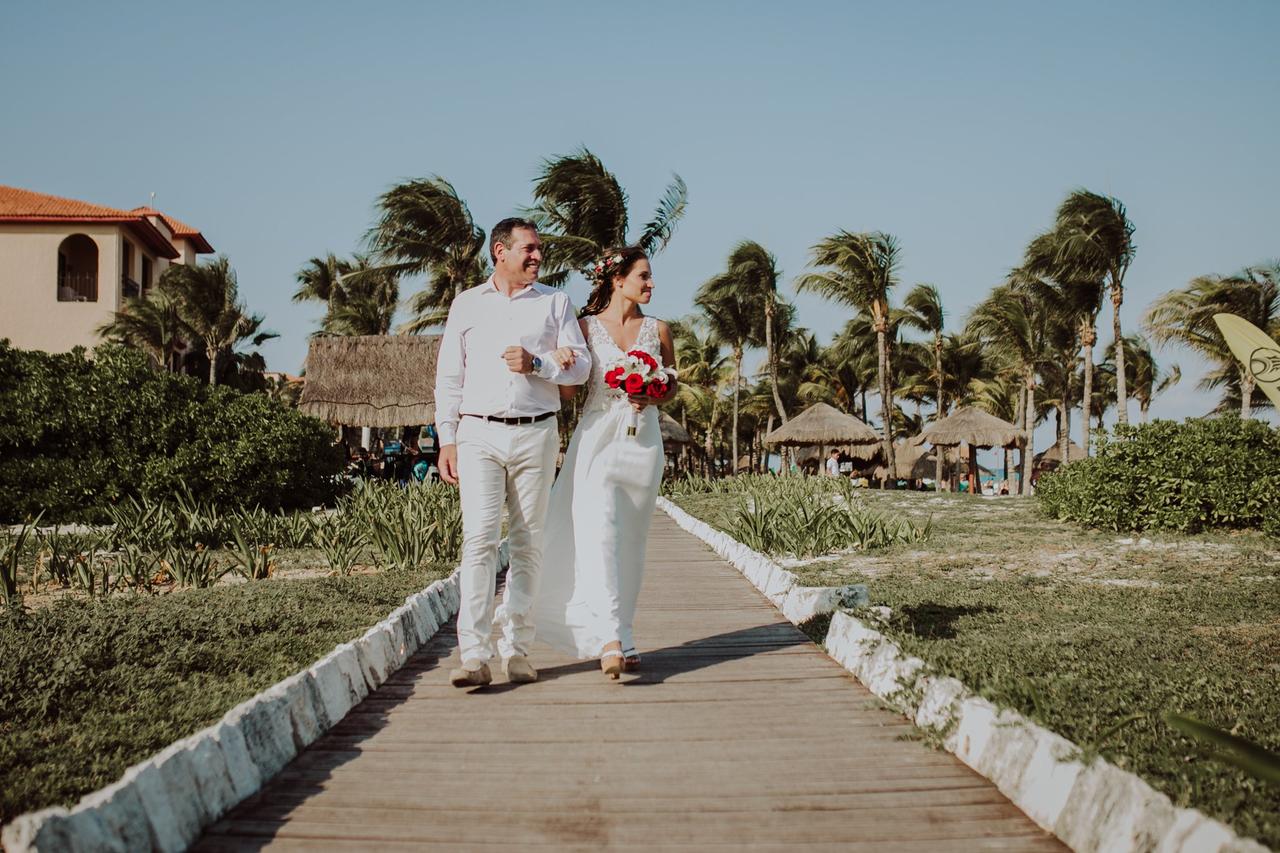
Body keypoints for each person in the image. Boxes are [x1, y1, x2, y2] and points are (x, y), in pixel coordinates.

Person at [434, 217, 591, 688]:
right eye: (529, 248)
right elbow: (449, 376)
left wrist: (538, 363)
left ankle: (518, 649)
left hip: (536, 433)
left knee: (527, 542)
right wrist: (447, 438)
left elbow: (580, 367)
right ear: (500, 252)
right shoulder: (466, 304)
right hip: (477, 433)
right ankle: (474, 655)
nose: (538, 256)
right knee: (479, 540)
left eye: (539, 249)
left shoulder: (555, 302)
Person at [533, 245, 678, 679]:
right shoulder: (585, 327)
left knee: (631, 539)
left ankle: (626, 634)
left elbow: (672, 386)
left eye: (651, 277)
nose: (651, 284)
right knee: (601, 531)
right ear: (618, 280)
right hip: (597, 438)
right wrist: (558, 361)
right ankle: (609, 639)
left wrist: (653, 391)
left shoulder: (660, 329)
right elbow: (570, 392)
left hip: (643, 442)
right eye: (644, 276)